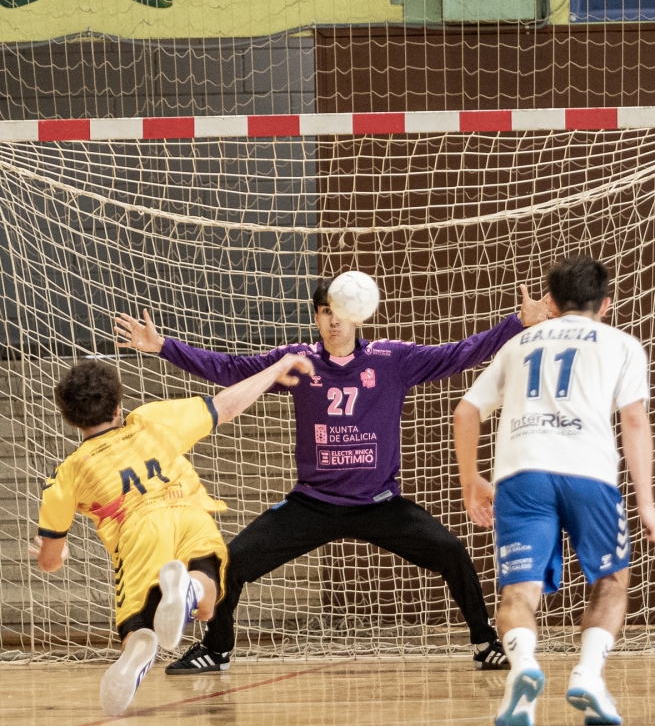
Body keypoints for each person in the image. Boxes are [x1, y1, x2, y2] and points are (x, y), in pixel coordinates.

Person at [113, 280, 548, 674]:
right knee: (231, 563)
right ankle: (217, 648)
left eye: (340, 312)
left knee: (451, 552)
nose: (333, 320)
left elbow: (459, 354)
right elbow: (231, 368)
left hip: (379, 505)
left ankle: (485, 643)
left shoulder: (392, 359)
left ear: (357, 315)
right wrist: (164, 346)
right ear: (317, 317)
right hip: (312, 505)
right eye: (325, 311)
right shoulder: (297, 362)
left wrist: (515, 323)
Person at [453, 255, 655, 726]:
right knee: (611, 580)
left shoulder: (518, 344)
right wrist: (647, 504)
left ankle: (523, 667)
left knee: (519, 590)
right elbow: (634, 420)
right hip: (589, 473)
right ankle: (588, 675)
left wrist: (471, 482)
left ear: (549, 302)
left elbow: (466, 412)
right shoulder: (621, 344)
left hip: (522, 474)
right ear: (605, 304)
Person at [34, 351, 313, 715]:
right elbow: (226, 406)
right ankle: (190, 590)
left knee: (138, 624)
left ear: (70, 418)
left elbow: (49, 561)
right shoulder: (150, 420)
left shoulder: (67, 473)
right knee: (208, 606)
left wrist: (56, 553)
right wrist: (277, 368)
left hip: (138, 533)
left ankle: (136, 650)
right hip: (190, 513)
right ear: (118, 406)